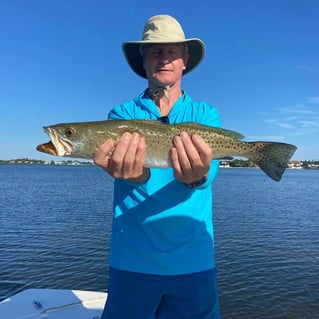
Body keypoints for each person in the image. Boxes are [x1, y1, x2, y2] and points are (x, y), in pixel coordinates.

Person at [94, 14, 222, 319]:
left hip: (194, 261)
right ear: (144, 60)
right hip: (132, 261)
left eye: (171, 51)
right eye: (155, 51)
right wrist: (135, 174)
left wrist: (197, 176)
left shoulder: (206, 114)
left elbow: (209, 175)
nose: (163, 58)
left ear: (184, 60)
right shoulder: (121, 114)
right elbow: (131, 175)